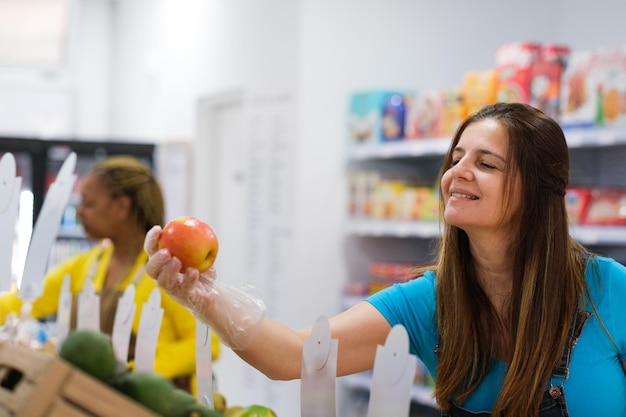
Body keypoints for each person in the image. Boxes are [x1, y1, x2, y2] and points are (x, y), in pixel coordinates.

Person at [143, 103, 626, 416]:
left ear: (541, 191)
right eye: (456, 157)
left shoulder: (611, 291)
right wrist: (200, 292)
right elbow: (294, 355)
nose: (458, 172)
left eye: (486, 163)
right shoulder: (430, 303)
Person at [0, 155, 219, 393]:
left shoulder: (168, 274)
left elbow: (207, 345)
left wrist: (142, 370)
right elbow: (21, 302)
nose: (80, 211)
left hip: (152, 403)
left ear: (122, 207)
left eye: (89, 203)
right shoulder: (84, 266)